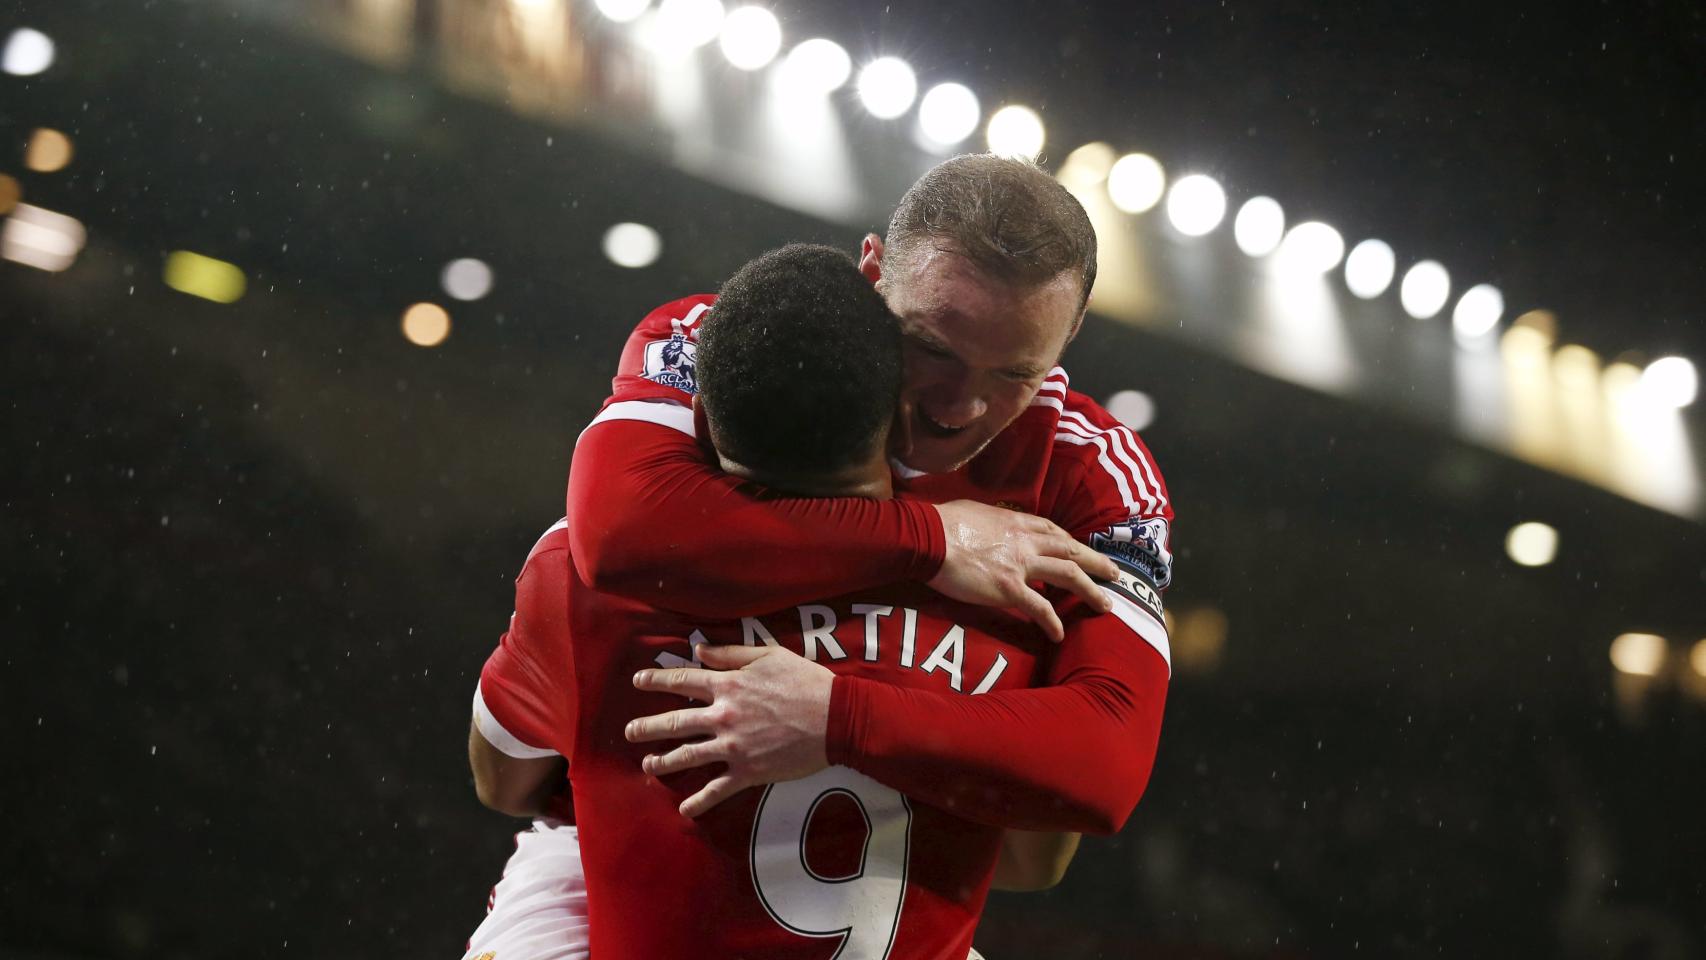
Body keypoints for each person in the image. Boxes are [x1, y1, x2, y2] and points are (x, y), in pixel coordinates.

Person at [471, 244, 1169, 959]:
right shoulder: (1015, 608)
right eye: (934, 351)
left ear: (700, 414)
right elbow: (1034, 857)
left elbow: (502, 780)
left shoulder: (589, 575)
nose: (959, 405)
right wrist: (874, 725)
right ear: (890, 418)